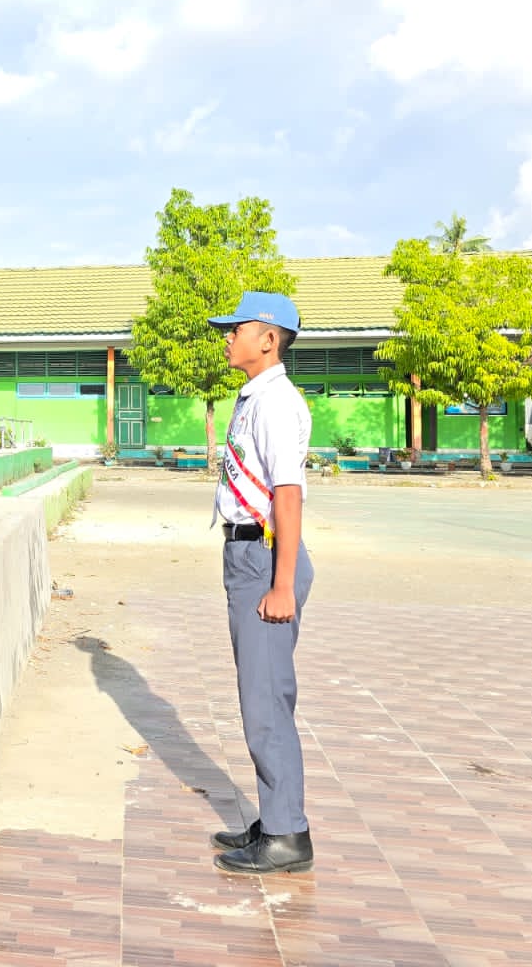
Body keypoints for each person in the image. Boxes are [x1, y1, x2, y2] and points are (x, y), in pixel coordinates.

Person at [206, 290, 316, 875]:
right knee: (262, 694)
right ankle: (275, 814)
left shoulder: (275, 403)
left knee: (265, 701)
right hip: (251, 554)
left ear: (268, 338)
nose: (227, 337)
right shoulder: (255, 398)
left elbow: (288, 495)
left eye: (236, 328)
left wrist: (281, 584)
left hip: (265, 559)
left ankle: (286, 835)